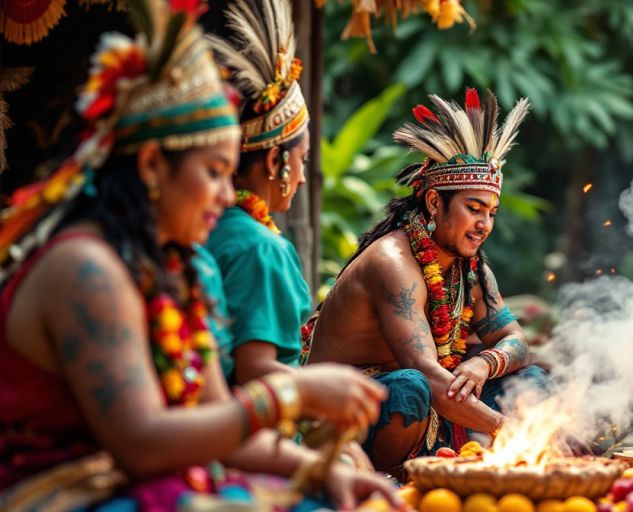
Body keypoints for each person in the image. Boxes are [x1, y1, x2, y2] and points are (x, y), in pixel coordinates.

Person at [0, 2, 398, 508]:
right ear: (150, 164)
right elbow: (142, 444)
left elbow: (221, 421)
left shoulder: (179, 269)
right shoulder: (85, 268)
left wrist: (321, 468)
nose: (222, 195)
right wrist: (293, 395)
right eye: (213, 172)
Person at [306, 89, 547, 472]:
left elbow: (516, 342)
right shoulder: (393, 262)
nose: (485, 225)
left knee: (531, 379)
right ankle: (390, 485)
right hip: (344, 413)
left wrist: (485, 363)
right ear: (435, 202)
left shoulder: (471, 270)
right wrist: (512, 430)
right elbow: (426, 374)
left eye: (492, 212)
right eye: (473, 209)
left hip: (432, 403)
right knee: (409, 389)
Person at [203, 0, 312, 385]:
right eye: (303, 160)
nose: (301, 179)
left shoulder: (200, 229)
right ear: (273, 163)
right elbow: (257, 375)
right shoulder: (261, 248)